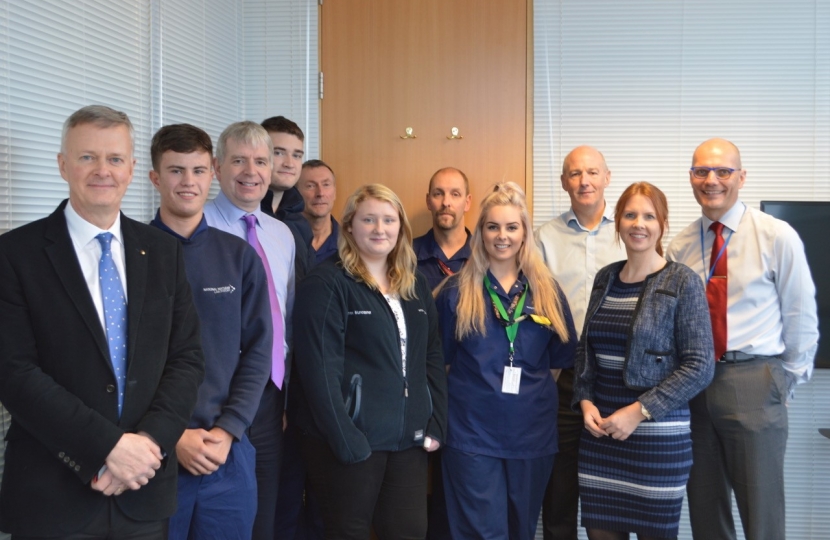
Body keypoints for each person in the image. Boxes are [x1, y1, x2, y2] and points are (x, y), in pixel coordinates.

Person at [0, 105, 205, 539]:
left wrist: (146, 447)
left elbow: (186, 359)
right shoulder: (14, 255)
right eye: (86, 157)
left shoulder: (164, 253)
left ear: (132, 168)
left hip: (143, 492)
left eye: (114, 159)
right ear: (62, 165)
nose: (102, 170)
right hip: (54, 496)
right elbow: (13, 372)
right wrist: (106, 449)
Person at [666, 138, 819, 540]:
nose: (711, 180)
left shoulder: (775, 235)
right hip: (695, 385)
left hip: (754, 379)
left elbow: (801, 314)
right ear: (691, 178)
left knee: (762, 514)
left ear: (741, 177)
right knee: (705, 509)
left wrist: (785, 377)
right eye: (701, 171)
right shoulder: (680, 246)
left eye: (722, 171)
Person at [293, 184, 448, 540]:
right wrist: (346, 439)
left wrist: (436, 422)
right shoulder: (327, 283)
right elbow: (318, 371)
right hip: (351, 444)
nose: (380, 229)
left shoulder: (415, 285)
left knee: (409, 532)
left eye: (389, 220)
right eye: (369, 220)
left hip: (409, 442)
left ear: (401, 228)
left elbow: (432, 357)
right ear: (349, 227)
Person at [148, 124, 272, 539]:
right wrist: (171, 434)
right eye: (176, 171)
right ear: (154, 177)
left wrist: (227, 430)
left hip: (228, 453)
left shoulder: (239, 256)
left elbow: (258, 351)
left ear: (213, 173)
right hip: (155, 455)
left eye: (198, 171)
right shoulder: (134, 255)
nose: (188, 182)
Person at [435, 182, 576, 540]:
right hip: (471, 435)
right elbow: (443, 365)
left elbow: (556, 362)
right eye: (492, 227)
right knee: (481, 532)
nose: (502, 236)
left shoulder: (547, 290)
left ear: (525, 233)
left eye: (512, 227)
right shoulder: (456, 292)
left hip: (531, 434)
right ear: (480, 232)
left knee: (521, 530)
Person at [573, 181, 714, 540]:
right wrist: (585, 401)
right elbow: (585, 352)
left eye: (649, 216)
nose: (639, 223)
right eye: (630, 214)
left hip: (657, 440)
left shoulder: (682, 280)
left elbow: (699, 366)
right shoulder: (605, 278)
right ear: (618, 221)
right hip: (600, 435)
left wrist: (638, 412)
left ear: (662, 224)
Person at [203, 121, 296, 540]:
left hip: (270, 397)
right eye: (239, 160)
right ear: (218, 167)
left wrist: (288, 392)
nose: (251, 171)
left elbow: (285, 318)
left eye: (261, 161)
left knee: (265, 514)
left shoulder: (282, 234)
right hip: (217, 400)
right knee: (219, 517)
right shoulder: (196, 226)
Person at [536, 145, 626, 540]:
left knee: (614, 488)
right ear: (563, 183)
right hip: (564, 375)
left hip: (618, 375)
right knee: (559, 486)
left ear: (608, 176)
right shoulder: (544, 237)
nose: (584, 181)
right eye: (574, 173)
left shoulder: (632, 230)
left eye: (592, 172)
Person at [260, 115, 314, 277]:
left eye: (297, 155)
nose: (290, 163)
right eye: (279, 153)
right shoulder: (244, 216)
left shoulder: (301, 224)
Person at [413, 167, 473, 289]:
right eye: (438, 194)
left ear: (467, 203)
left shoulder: (486, 255)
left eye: (455, 194)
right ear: (428, 201)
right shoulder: (406, 254)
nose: (446, 202)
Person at [298, 159, 339, 265]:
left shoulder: (350, 244)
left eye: (326, 185)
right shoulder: (282, 238)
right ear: (296, 193)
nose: (320, 193)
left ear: (335, 192)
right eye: (310, 186)